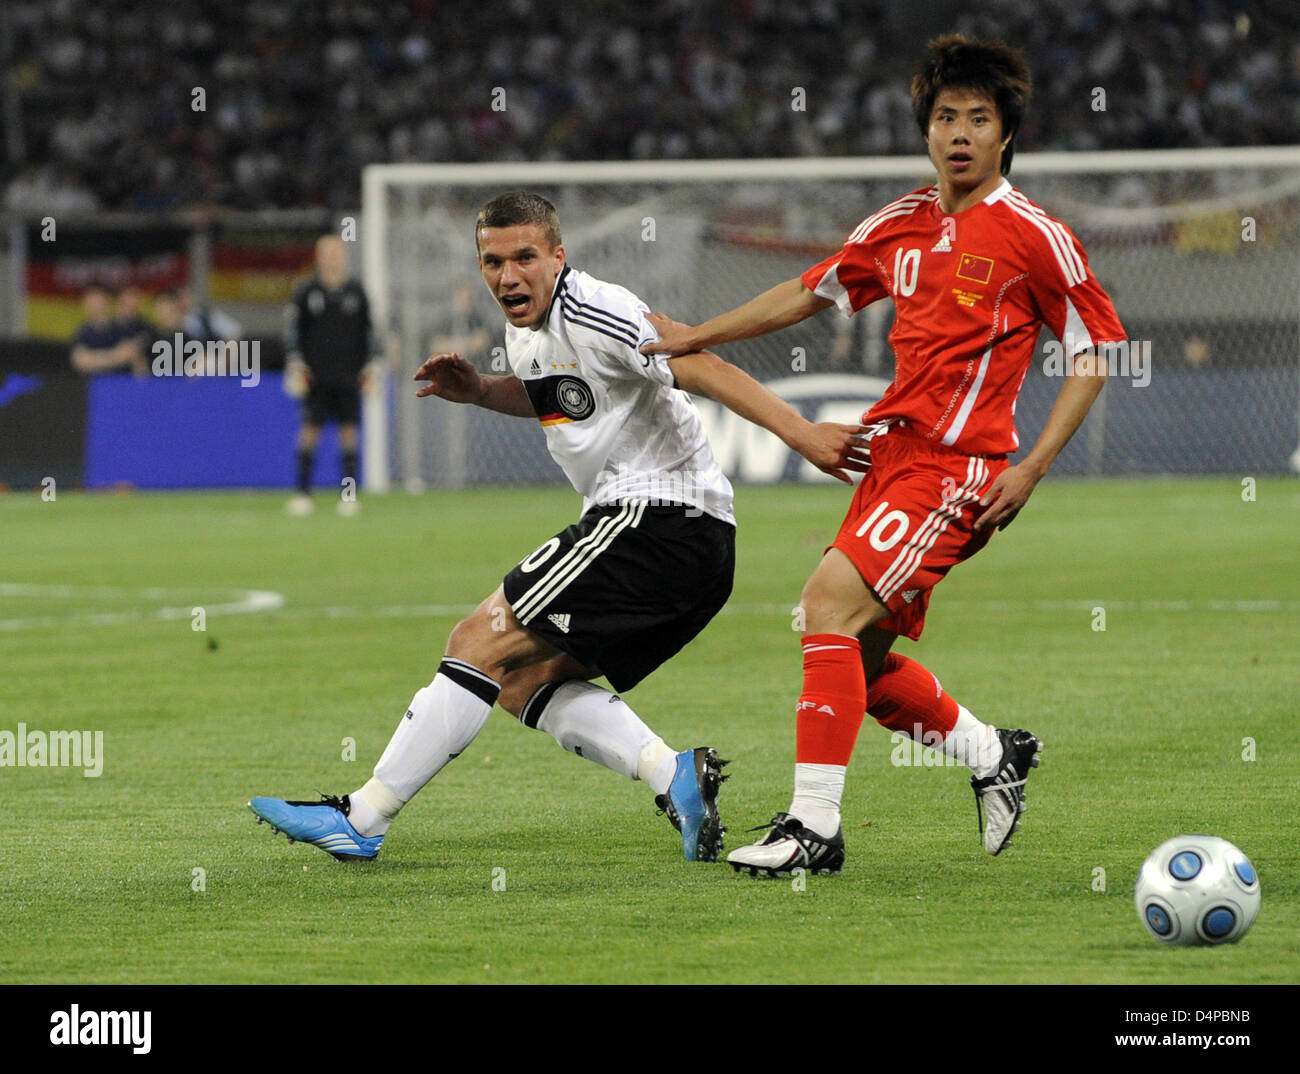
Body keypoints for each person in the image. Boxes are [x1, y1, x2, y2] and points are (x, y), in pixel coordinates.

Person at [248, 192, 868, 863]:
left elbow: (700, 363)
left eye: (524, 257)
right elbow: (558, 390)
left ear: (558, 256)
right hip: (686, 547)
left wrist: (804, 434)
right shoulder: (527, 328)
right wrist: (483, 390)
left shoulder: (598, 310)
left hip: (657, 522)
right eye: (492, 261)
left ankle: (362, 818)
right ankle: (673, 775)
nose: (508, 275)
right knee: (518, 679)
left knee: (476, 640)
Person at [643, 35, 1128, 876]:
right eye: (947, 117)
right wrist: (696, 336)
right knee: (853, 661)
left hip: (961, 468)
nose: (962, 133)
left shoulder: (1034, 236)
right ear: (927, 130)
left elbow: (1095, 351)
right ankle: (990, 756)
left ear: (1006, 135)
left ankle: (814, 829)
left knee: (826, 603)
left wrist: (1032, 466)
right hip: (891, 464)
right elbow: (806, 291)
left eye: (980, 118)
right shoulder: (898, 224)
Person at [283, 235, 377, 516]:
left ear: (344, 256)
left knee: (349, 433)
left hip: (349, 374)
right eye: (327, 253)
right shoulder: (305, 290)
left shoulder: (356, 291)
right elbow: (293, 332)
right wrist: (295, 363)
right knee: (309, 431)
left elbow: (369, 332)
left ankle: (348, 496)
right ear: (318, 256)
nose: (333, 257)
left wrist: (373, 365)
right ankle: (302, 494)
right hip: (315, 376)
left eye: (337, 252)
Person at [69, 284, 147, 376]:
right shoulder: (82, 331)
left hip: (120, 383)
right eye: (91, 300)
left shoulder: (122, 327)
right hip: (91, 385)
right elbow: (80, 361)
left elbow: (133, 356)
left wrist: (93, 359)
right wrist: (115, 356)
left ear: (108, 300)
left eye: (98, 299)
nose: (95, 304)